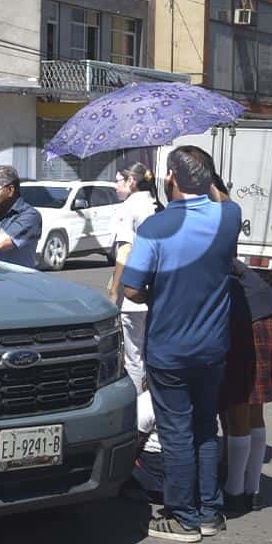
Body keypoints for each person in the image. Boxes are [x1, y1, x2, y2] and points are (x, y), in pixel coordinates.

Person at [121, 146, 242, 543]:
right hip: (213, 345)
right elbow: (220, 196)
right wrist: (205, 176)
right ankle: (210, 511)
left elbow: (133, 288)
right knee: (206, 426)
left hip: (170, 345)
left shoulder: (156, 228)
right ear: (209, 178)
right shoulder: (228, 215)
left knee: (175, 431)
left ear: (170, 178)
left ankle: (182, 516)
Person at [207, 176, 272, 516]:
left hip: (251, 317)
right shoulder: (224, 215)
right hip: (266, 309)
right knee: (252, 408)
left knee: (237, 405)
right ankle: (252, 487)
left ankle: (235, 492)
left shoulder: (216, 215)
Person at [109, 162, 164, 396]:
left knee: (133, 356)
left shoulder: (129, 207)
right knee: (152, 353)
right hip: (156, 290)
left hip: (132, 293)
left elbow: (125, 252)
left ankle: (138, 412)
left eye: (118, 180)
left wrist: (114, 291)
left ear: (132, 181)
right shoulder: (158, 205)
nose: (115, 185)